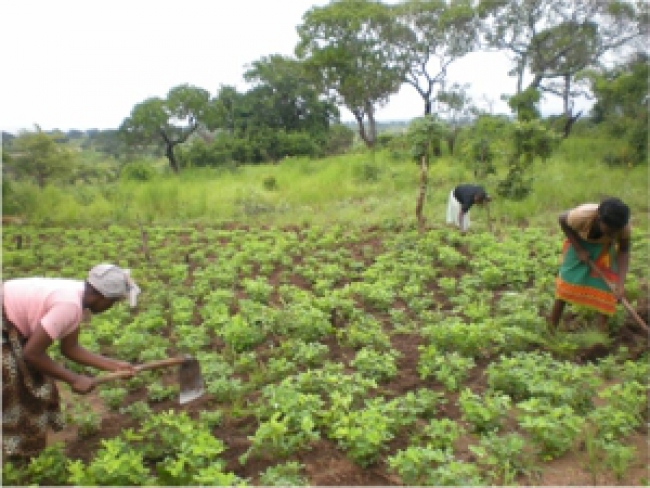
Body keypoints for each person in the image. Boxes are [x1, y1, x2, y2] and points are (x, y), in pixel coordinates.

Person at [2, 263, 141, 460]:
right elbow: (32, 353)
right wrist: (74, 379)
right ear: (102, 297)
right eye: (113, 302)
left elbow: (70, 348)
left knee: (37, 386)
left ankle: (24, 452)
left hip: (10, 325)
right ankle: (16, 457)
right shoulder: (70, 305)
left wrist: (114, 365)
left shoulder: (76, 294)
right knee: (14, 392)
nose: (111, 307)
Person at [549, 197, 631, 330]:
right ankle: (551, 329)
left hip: (605, 250)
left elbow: (623, 251)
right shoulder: (581, 215)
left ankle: (600, 337)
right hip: (579, 243)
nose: (614, 234)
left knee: (607, 289)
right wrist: (578, 249)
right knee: (566, 285)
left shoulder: (623, 227)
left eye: (616, 232)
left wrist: (620, 284)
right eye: (610, 231)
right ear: (599, 219)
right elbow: (562, 219)